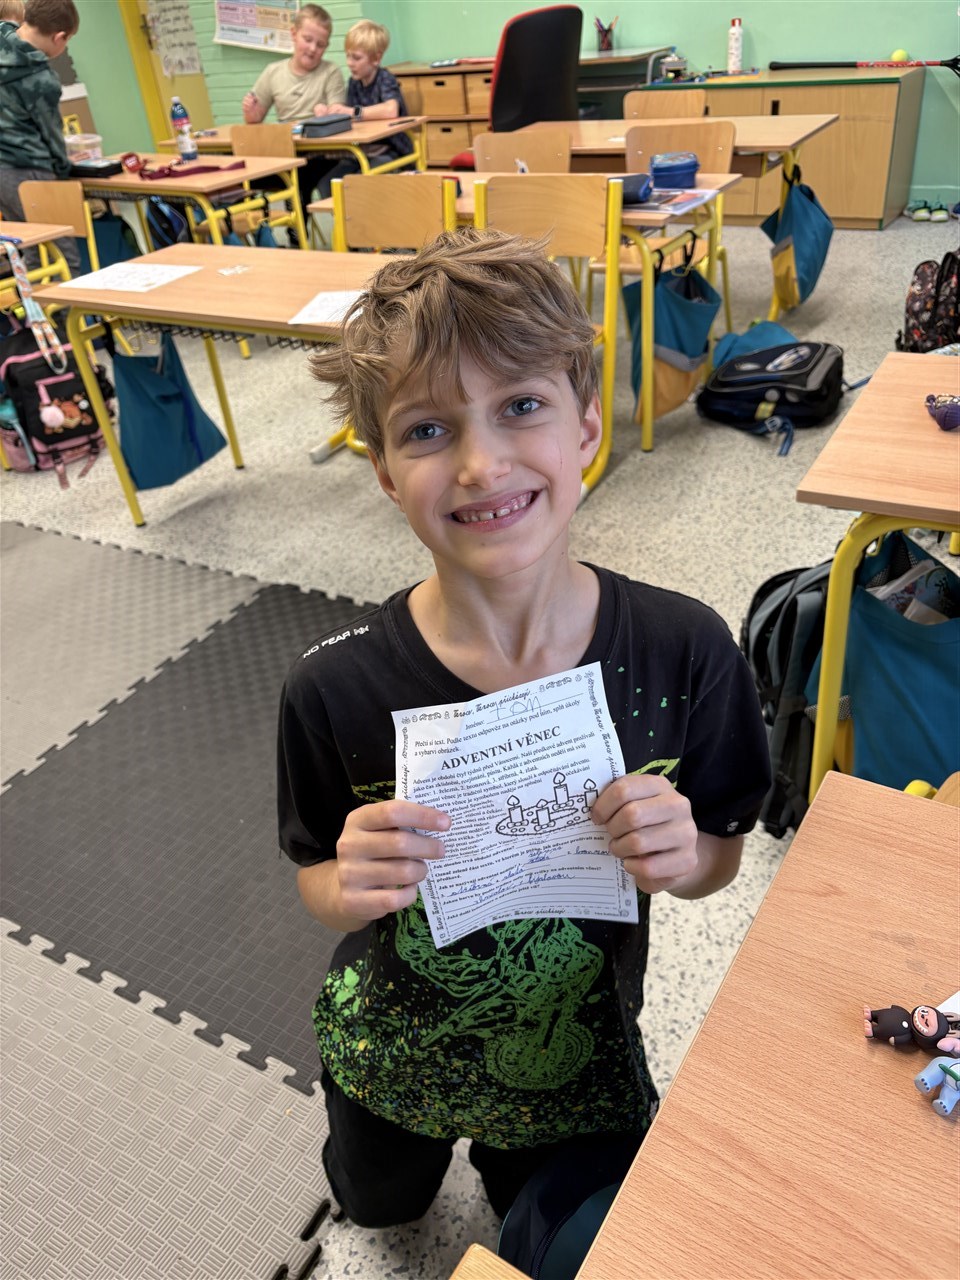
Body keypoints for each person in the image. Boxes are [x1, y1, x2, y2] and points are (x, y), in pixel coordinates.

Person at [277, 228, 772, 1228]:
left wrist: (685, 858)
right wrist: (345, 885)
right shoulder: (332, 687)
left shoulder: (685, 649)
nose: (480, 463)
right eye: (426, 429)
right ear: (383, 471)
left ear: (586, 425)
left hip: (576, 1057)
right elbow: (317, 878)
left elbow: (721, 852)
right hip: (392, 1051)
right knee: (378, 1208)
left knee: (561, 1226)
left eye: (521, 406)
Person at [0, 0, 80, 273]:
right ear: (59, 37)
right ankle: (63, 303)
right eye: (67, 41)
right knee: (63, 255)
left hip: (3, 173)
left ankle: (32, 301)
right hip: (29, 169)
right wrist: (65, 171)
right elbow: (52, 136)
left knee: (30, 248)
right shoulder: (42, 79)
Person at [240, 3, 345, 212]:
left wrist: (327, 113)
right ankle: (254, 227)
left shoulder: (331, 72)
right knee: (245, 178)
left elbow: (338, 113)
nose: (313, 49)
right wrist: (251, 112)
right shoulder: (273, 72)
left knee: (299, 179)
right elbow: (254, 119)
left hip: (320, 154)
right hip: (285, 152)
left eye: (320, 44)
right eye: (308, 40)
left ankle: (295, 229)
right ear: (294, 34)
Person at [315, 19, 413, 198]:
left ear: (376, 58)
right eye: (348, 56)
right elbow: (350, 117)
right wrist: (329, 113)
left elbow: (391, 110)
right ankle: (345, 217)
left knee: (358, 186)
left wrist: (353, 112)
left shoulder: (385, 79)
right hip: (364, 152)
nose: (350, 63)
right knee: (327, 184)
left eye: (356, 58)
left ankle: (362, 215)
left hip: (392, 151)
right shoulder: (354, 83)